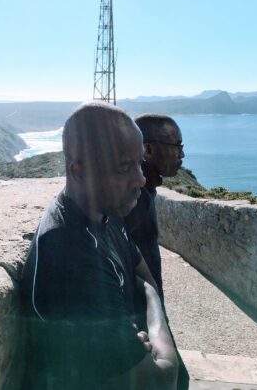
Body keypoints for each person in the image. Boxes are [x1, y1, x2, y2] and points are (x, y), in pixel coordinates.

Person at [17, 102, 181, 388]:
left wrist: (145, 303)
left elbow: (140, 270)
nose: (141, 180)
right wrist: (156, 314)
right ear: (80, 172)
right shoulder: (71, 258)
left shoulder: (104, 211)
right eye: (124, 168)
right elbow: (161, 380)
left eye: (139, 164)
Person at [126, 114, 183, 294]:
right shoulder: (133, 200)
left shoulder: (143, 192)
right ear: (148, 150)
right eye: (177, 146)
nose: (182, 154)